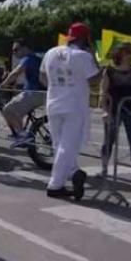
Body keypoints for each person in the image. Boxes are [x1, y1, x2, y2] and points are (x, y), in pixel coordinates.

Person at [40, 23, 100, 200]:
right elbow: (95, 79)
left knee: (59, 145)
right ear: (85, 39)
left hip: (53, 103)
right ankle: (55, 185)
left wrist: (57, 87)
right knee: (67, 146)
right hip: (74, 106)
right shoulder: (83, 56)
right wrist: (94, 55)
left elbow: (42, 77)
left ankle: (74, 173)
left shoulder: (51, 52)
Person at [98, 42, 131, 179]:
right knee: (108, 139)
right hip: (112, 108)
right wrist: (104, 110)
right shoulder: (110, 70)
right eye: (128, 51)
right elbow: (103, 90)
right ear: (120, 53)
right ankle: (104, 168)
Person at [0, 41, 46, 148]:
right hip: (40, 93)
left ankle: (22, 136)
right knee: (16, 112)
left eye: (16, 49)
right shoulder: (38, 59)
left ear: (25, 48)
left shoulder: (28, 58)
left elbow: (16, 72)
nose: (14, 53)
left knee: (7, 110)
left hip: (33, 93)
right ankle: (20, 134)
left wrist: (2, 85)